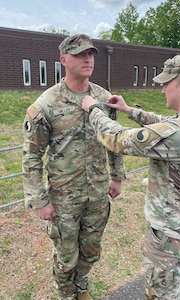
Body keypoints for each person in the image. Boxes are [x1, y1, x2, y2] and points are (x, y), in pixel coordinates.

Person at [81, 52, 180, 300]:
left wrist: (93, 110)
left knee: (163, 294)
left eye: (166, 83)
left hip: (170, 236)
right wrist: (128, 110)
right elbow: (165, 124)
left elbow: (117, 140)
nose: (162, 90)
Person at [22, 34, 125, 300]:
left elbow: (113, 138)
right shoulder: (47, 104)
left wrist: (117, 177)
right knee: (66, 255)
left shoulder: (103, 98)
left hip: (97, 193)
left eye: (90, 54)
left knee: (90, 251)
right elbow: (32, 155)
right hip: (65, 197)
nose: (87, 59)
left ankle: (81, 288)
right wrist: (39, 200)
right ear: (63, 60)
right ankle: (65, 294)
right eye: (80, 54)